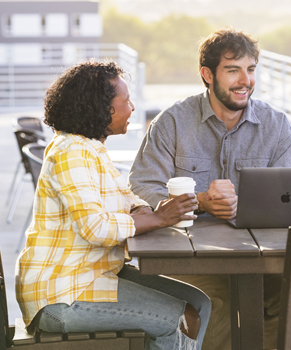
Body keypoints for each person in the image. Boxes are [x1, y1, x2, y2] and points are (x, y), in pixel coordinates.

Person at [15, 60, 211, 350]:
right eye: (126, 100)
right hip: (62, 293)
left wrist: (141, 209)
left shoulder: (92, 149)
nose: (132, 108)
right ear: (101, 107)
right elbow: (96, 228)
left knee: (199, 303)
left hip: (93, 275)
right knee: (183, 317)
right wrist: (158, 218)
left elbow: (126, 196)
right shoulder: (71, 152)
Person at [129, 28, 291, 349]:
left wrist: (252, 205)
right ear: (207, 75)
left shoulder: (278, 126)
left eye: (250, 70)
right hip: (191, 260)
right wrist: (199, 202)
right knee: (217, 299)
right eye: (233, 70)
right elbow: (142, 187)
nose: (245, 80)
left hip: (264, 259)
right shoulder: (173, 122)